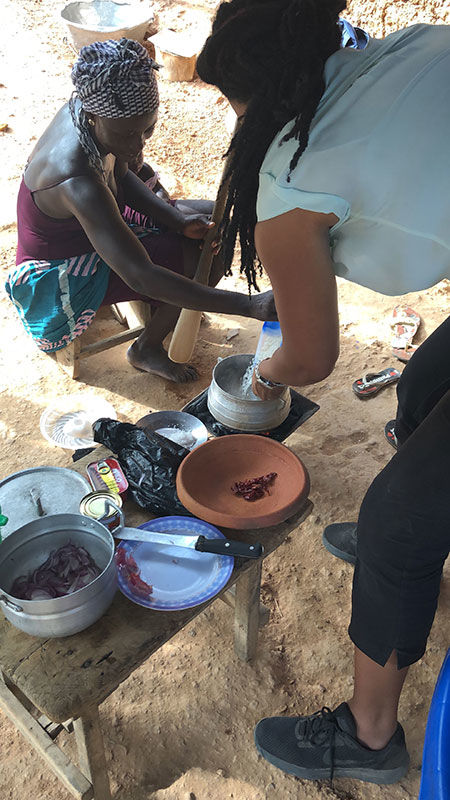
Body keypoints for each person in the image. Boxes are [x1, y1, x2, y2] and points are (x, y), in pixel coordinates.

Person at [196, 0, 450, 785]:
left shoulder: (289, 178)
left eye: (228, 101)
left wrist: (263, 375)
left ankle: (371, 738)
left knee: (398, 520)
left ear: (257, 91)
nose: (234, 121)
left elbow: (308, 360)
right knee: (428, 382)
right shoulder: (411, 47)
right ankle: (408, 568)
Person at [5, 38, 275, 382]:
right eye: (128, 134)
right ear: (93, 117)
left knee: (212, 222)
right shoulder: (77, 180)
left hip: (102, 219)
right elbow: (141, 274)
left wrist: (176, 220)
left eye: (146, 130)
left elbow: (122, 172)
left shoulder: (93, 118)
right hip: (63, 267)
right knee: (200, 261)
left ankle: (173, 305)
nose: (137, 146)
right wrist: (248, 306)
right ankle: (146, 347)